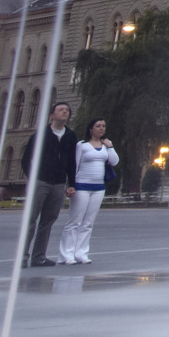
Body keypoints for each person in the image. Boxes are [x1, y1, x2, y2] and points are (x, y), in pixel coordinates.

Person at [57, 118, 117, 266]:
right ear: (91, 129)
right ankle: (66, 254)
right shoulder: (82, 145)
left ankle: (81, 253)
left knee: (88, 223)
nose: (101, 128)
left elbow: (114, 161)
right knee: (74, 222)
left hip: (98, 188)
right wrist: (71, 184)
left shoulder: (105, 146)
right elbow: (74, 165)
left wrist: (110, 146)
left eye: (103, 126)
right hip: (82, 186)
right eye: (98, 126)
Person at [26, 101, 78, 267]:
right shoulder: (41, 134)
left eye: (67, 110)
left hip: (58, 184)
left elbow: (71, 161)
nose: (65, 112)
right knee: (31, 220)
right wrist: (33, 176)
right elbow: (27, 158)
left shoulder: (70, 136)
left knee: (48, 221)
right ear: (52, 115)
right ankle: (22, 256)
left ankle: (39, 256)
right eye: (61, 110)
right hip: (40, 181)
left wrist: (71, 183)